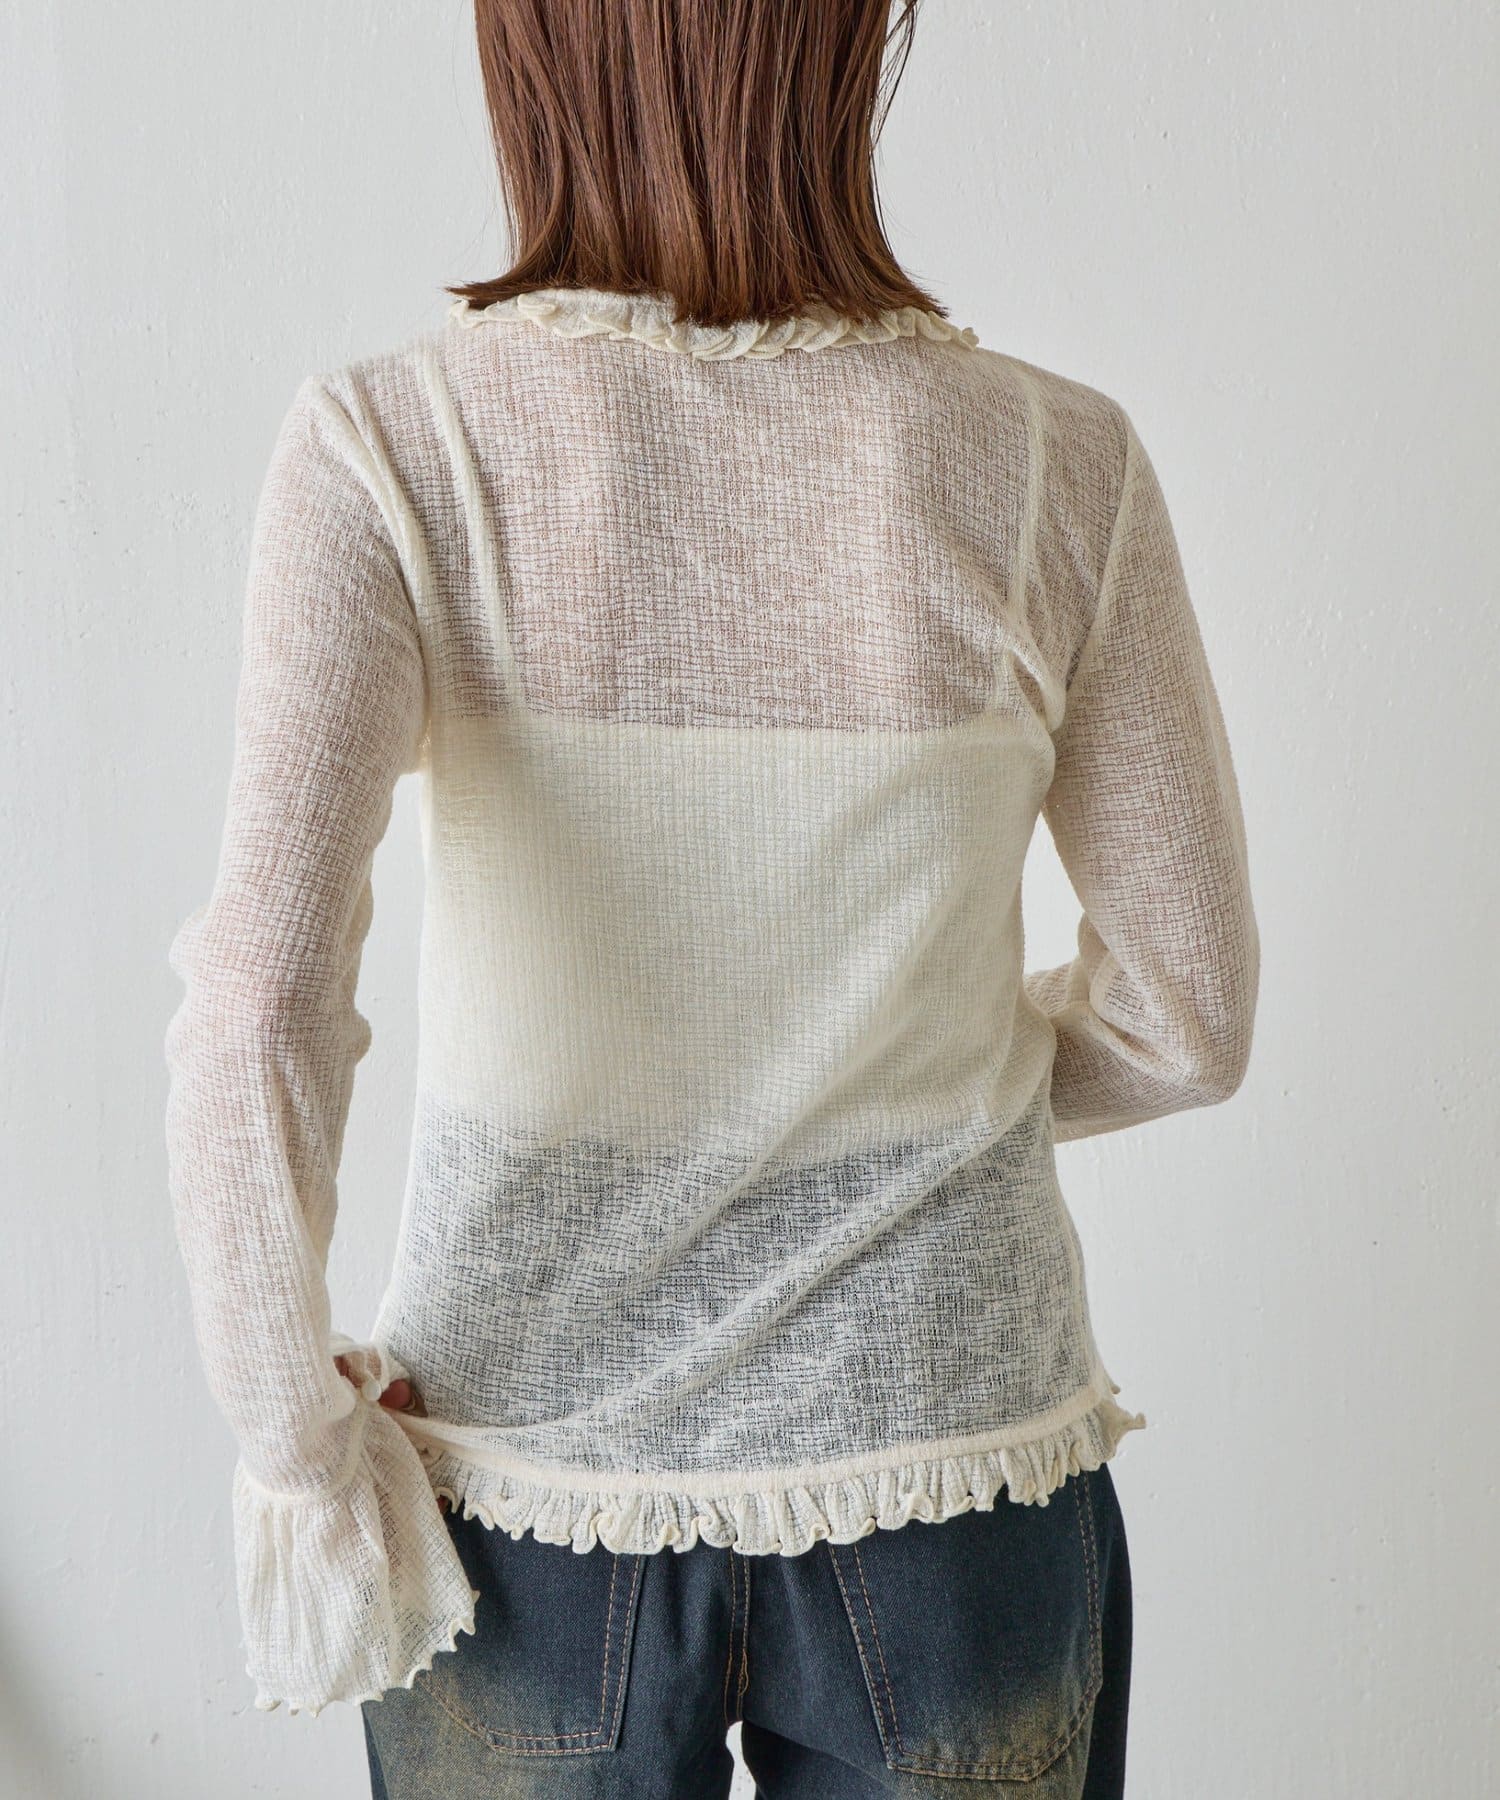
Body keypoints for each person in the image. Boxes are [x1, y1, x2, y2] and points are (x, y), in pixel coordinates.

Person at [162, 1, 1260, 1794]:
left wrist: (300, 1448)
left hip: (522, 1490)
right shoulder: (1058, 462)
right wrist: (895, 1096)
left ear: (532, 56)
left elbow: (260, 1009)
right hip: (953, 1459)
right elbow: (1188, 1015)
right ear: (853, 45)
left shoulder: (395, 446)